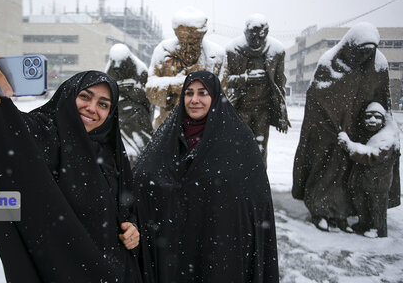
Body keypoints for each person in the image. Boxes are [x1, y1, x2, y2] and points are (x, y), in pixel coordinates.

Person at [0, 40, 143, 282]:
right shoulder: (45, 133)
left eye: (103, 105)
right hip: (63, 272)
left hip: (117, 272)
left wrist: (131, 227)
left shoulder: (112, 150)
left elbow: (125, 205)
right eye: (85, 96)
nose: (91, 108)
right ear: (67, 95)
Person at [134, 71, 279, 282]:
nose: (194, 100)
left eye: (202, 93)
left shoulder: (238, 137)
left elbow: (252, 196)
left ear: (215, 96)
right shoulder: (169, 134)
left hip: (219, 241)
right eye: (189, 93)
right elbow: (143, 175)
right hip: (173, 244)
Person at [292, 22, 399, 232]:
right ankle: (321, 210)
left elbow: (382, 100)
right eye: (360, 51)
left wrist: (375, 125)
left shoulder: (378, 66)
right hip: (328, 130)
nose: (363, 57)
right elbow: (316, 98)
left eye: (369, 52)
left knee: (350, 174)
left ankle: (342, 213)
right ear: (351, 46)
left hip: (361, 129)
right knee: (326, 170)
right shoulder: (329, 63)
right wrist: (332, 124)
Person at [225, 14, 290, 165]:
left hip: (263, 108)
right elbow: (224, 82)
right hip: (240, 108)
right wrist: (245, 78)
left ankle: (258, 183)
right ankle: (239, 183)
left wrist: (282, 114)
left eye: (260, 37)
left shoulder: (276, 50)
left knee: (260, 147)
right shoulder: (232, 50)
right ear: (245, 33)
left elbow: (280, 84)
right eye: (252, 37)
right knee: (239, 147)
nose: (256, 41)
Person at [146, 6, 226, 127]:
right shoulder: (163, 52)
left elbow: (222, 96)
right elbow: (151, 89)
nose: (188, 47)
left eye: (195, 41)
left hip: (204, 126)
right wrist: (181, 85)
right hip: (169, 124)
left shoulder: (216, 55)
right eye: (184, 41)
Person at [338, 102, 400, 237]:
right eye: (368, 116)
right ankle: (365, 224)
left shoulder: (387, 139)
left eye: (377, 117)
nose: (372, 120)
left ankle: (378, 230)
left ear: (383, 120)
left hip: (378, 183)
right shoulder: (369, 134)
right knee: (362, 204)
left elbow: (372, 156)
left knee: (377, 208)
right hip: (365, 181)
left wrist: (349, 146)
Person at [105, 43, 153, 163]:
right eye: (115, 63)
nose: (117, 68)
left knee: (142, 145)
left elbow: (147, 97)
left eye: (121, 64)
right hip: (119, 114)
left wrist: (128, 90)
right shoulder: (109, 72)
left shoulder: (140, 70)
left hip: (138, 114)